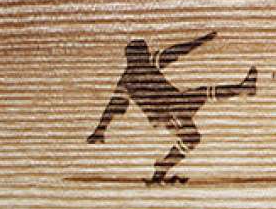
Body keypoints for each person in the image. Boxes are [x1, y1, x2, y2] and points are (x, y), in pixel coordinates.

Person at [87, 31, 257, 185]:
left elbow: (176, 51)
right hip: (167, 113)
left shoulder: (137, 73)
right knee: (191, 137)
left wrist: (100, 130)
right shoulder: (131, 78)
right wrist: (99, 130)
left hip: (178, 102)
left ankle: (243, 89)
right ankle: (162, 169)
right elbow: (176, 52)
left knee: (202, 93)